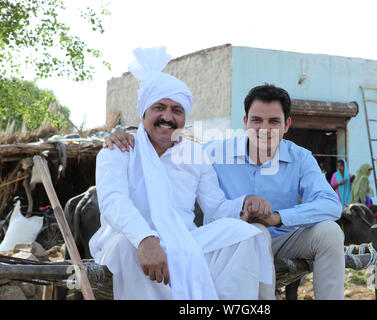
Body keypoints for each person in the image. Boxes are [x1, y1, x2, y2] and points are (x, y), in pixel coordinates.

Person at [105, 83, 345, 300]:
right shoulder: (211, 153)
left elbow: (330, 204)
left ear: (287, 125)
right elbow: (166, 150)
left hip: (286, 237)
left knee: (330, 232)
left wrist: (278, 217)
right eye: (257, 120)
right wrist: (126, 135)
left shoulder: (300, 158)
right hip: (240, 242)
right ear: (245, 121)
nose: (264, 128)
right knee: (253, 230)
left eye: (274, 121)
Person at [90, 46, 274, 300]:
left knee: (243, 234)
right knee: (125, 245)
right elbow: (114, 203)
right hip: (132, 241)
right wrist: (146, 239)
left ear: (184, 117)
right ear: (144, 112)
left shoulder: (196, 155)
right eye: (159, 107)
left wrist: (244, 204)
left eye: (177, 110)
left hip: (185, 239)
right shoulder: (118, 150)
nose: (167, 116)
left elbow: (216, 208)